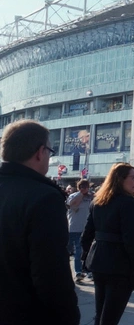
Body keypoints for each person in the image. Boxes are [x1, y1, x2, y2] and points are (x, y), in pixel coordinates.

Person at [0, 120, 80, 324]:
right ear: (40, 151)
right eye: (49, 152)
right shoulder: (44, 197)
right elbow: (51, 274)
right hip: (25, 313)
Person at [81, 162, 134, 324]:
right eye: (133, 177)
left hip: (98, 261)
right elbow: (132, 237)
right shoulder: (126, 202)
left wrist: (87, 255)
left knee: (100, 313)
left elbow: (87, 234)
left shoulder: (98, 201)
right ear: (120, 179)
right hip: (119, 264)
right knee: (110, 317)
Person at [67, 178, 94, 282]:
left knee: (84, 251)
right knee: (76, 251)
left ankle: (85, 271)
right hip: (74, 228)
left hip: (86, 228)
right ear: (79, 188)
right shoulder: (73, 196)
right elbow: (72, 204)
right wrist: (81, 194)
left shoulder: (90, 197)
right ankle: (78, 271)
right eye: (82, 187)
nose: (85, 189)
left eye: (86, 187)